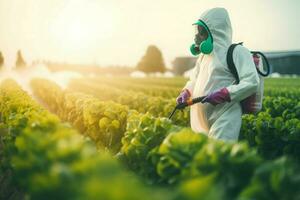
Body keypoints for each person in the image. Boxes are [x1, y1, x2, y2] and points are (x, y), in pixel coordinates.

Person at [176, 7, 259, 142]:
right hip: (201, 119)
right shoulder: (204, 56)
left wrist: (226, 93)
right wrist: (186, 91)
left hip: (225, 115)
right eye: (197, 32)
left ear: (215, 32)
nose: (197, 37)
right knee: (204, 158)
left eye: (201, 33)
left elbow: (252, 82)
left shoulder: (237, 52)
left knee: (218, 156)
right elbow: (194, 79)